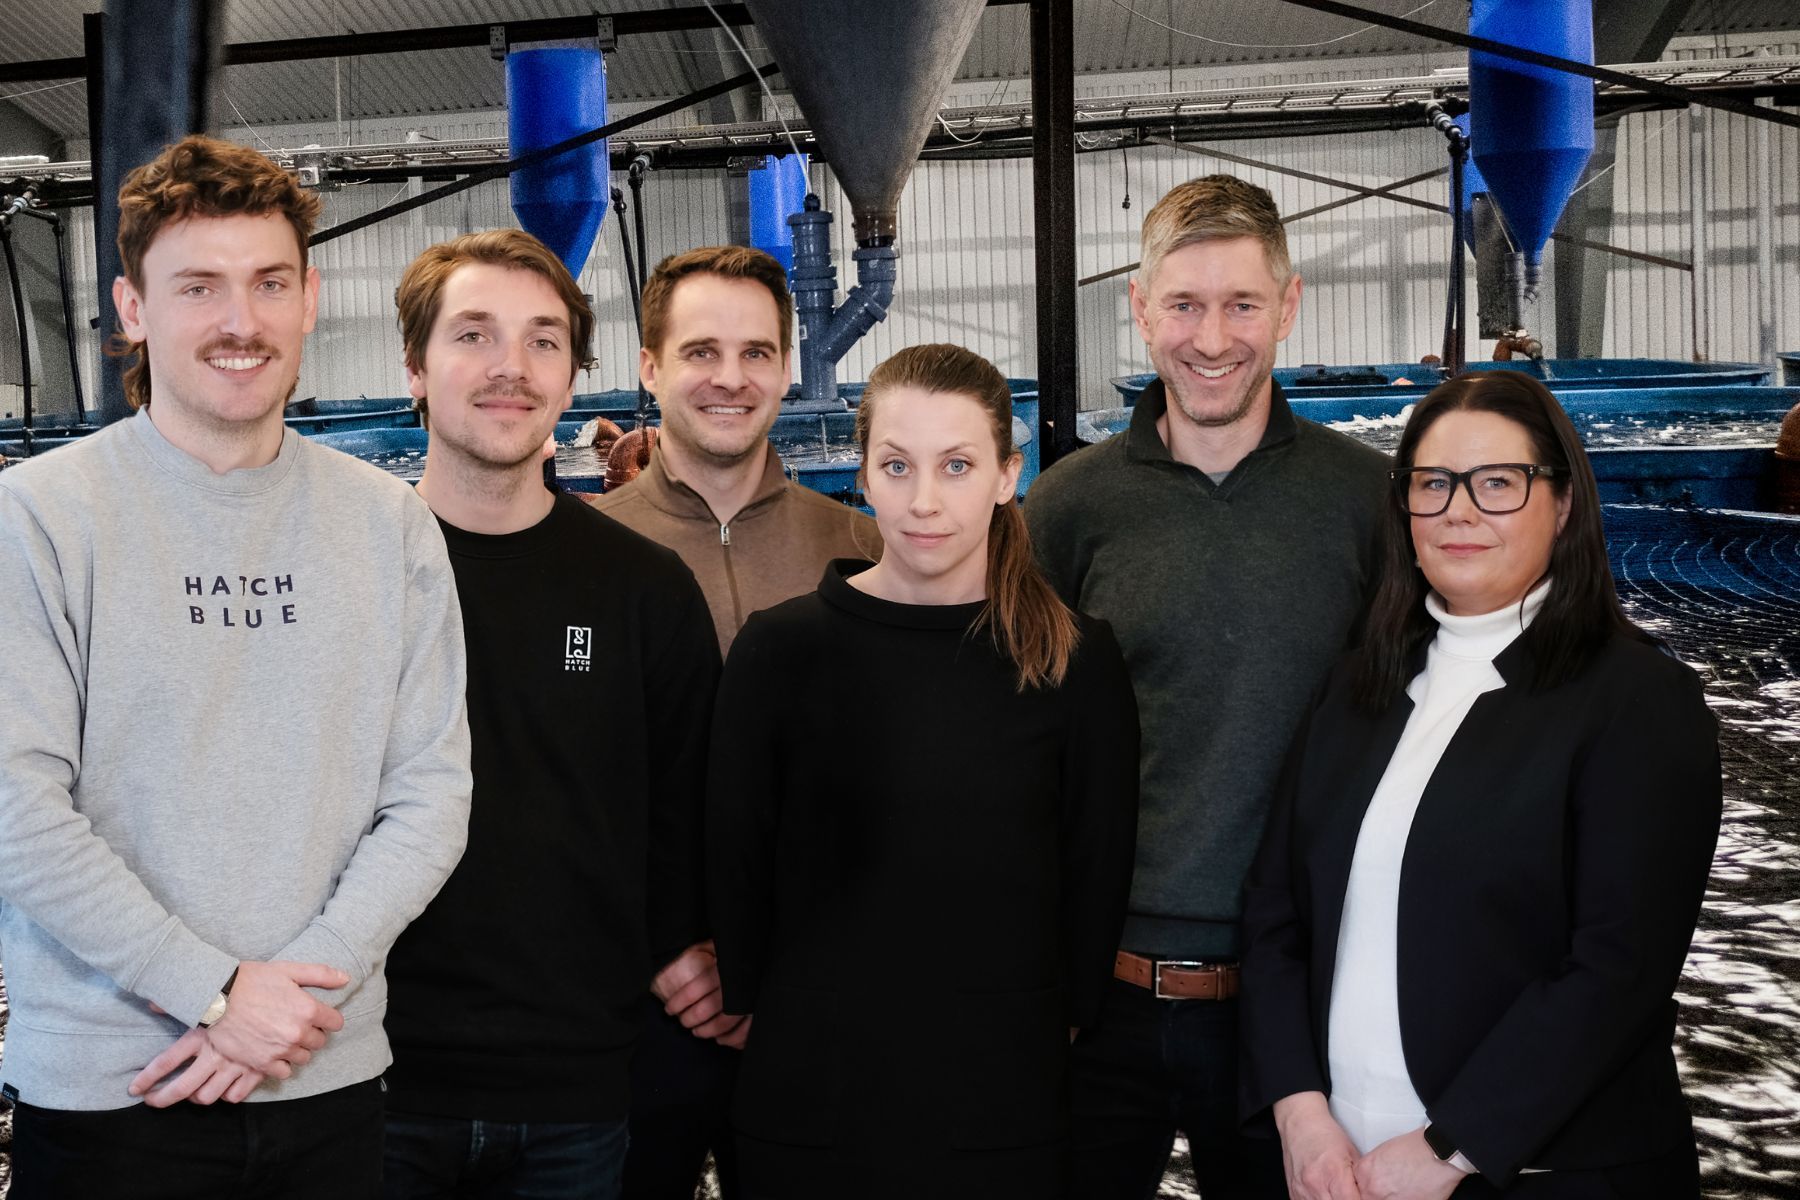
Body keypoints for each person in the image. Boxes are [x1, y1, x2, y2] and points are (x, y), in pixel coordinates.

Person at [0, 135, 472, 1198]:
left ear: (309, 298)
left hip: (327, 1088)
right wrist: (214, 992)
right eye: (198, 287)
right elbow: (16, 809)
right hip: (110, 1095)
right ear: (131, 307)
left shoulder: (388, 524)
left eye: (268, 284)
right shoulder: (37, 520)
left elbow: (432, 795)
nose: (239, 322)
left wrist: (287, 1006)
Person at [1240, 370, 1722, 1200]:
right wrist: (1299, 1111)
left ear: (1563, 503)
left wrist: (1448, 1148)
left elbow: (1619, 968)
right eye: (1432, 484)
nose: (1459, 510)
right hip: (1335, 1169)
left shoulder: (1639, 701)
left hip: (1541, 1172)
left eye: (1498, 483)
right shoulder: (1358, 686)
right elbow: (1276, 914)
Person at [1024, 173, 1388, 1197]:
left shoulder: (1368, 503)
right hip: (1100, 995)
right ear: (1140, 311)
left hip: (1297, 1001)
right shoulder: (1066, 510)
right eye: (1183, 304)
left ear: (1289, 304)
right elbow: (1007, 748)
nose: (1212, 337)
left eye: (1240, 303)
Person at [707, 343, 1141, 1200]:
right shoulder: (781, 650)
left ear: (1008, 476)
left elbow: (1095, 877)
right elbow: (735, 857)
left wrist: (1054, 1023)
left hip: (1000, 1103)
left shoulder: (1073, 662)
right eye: (898, 467)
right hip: (810, 1099)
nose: (925, 501)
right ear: (862, 474)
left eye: (957, 465)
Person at [378, 229, 722, 1200]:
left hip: (580, 1094)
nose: (509, 368)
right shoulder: (349, 575)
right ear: (415, 367)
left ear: (573, 377)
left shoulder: (643, 588)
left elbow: (687, 814)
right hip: (373, 1083)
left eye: (541, 341)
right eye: (474, 334)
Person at [590, 243, 878, 1198]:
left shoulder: (860, 551)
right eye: (701, 351)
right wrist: (662, 951)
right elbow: (561, 792)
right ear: (649, 366)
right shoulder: (585, 557)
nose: (731, 378)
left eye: (757, 352)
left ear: (789, 366)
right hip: (634, 1011)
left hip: (814, 1008)